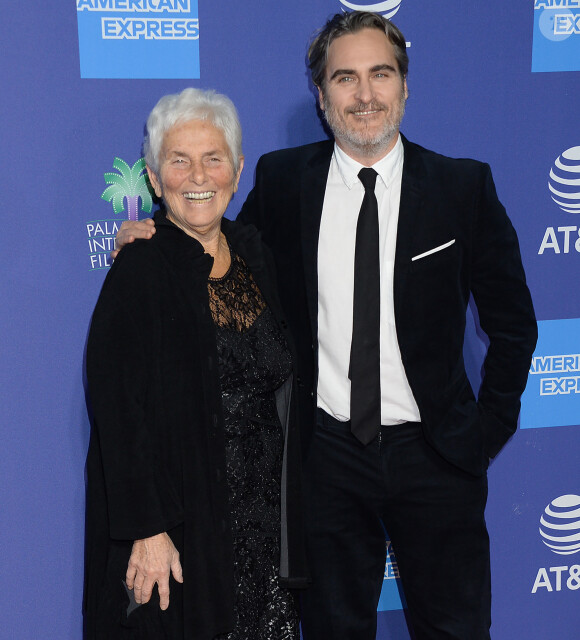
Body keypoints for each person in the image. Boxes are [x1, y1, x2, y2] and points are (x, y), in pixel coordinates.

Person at [114, 12, 537, 640]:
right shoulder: (285, 181)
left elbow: (514, 324)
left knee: (456, 629)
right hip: (326, 459)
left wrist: (480, 438)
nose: (364, 95)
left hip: (438, 456)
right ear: (321, 95)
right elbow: (218, 239)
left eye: (380, 75)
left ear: (404, 86)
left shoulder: (461, 187)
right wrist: (154, 234)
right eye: (345, 78)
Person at [84, 87, 307, 640]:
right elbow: (118, 411)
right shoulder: (140, 272)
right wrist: (149, 529)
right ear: (156, 181)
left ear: (237, 169)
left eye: (213, 158)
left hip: (267, 534)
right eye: (178, 161)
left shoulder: (259, 256)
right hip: (184, 536)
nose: (198, 175)